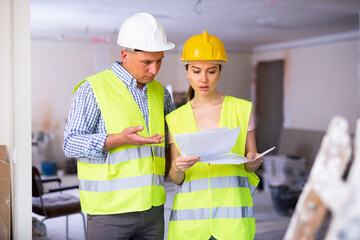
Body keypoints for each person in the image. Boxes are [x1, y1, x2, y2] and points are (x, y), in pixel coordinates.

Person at [63, 12, 175, 240]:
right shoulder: (92, 88)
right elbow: (70, 144)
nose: (154, 70)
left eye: (159, 60)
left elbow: (173, 140)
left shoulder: (160, 92)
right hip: (109, 213)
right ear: (125, 55)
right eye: (147, 62)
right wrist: (118, 139)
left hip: (153, 210)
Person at [166, 31, 263, 240]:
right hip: (190, 223)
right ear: (187, 72)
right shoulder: (175, 118)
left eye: (211, 71)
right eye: (196, 71)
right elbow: (176, 178)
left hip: (232, 222)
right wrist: (176, 168)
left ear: (220, 71)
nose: (203, 79)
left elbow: (250, 161)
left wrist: (253, 162)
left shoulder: (242, 109)